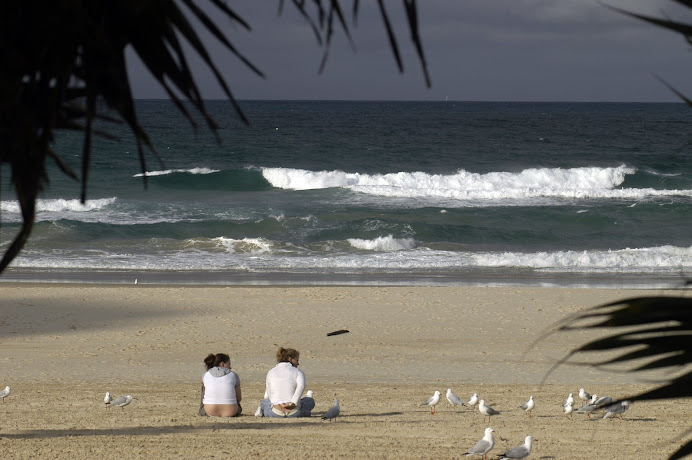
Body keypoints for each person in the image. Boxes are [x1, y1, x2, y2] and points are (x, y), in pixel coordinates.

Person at [259, 347, 315, 418]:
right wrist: (293, 403)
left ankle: (261, 411)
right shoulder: (298, 372)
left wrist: (277, 403)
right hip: (295, 413)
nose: (298, 363)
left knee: (264, 402)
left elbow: (270, 393)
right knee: (310, 401)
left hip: (275, 413)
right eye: (297, 360)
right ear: (290, 359)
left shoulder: (271, 372)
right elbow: (301, 386)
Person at [201, 353, 242, 417]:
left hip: (210, 411)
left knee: (204, 385)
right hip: (231, 411)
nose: (230, 367)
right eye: (229, 364)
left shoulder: (206, 375)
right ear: (222, 364)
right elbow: (238, 398)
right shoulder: (234, 375)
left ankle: (203, 408)